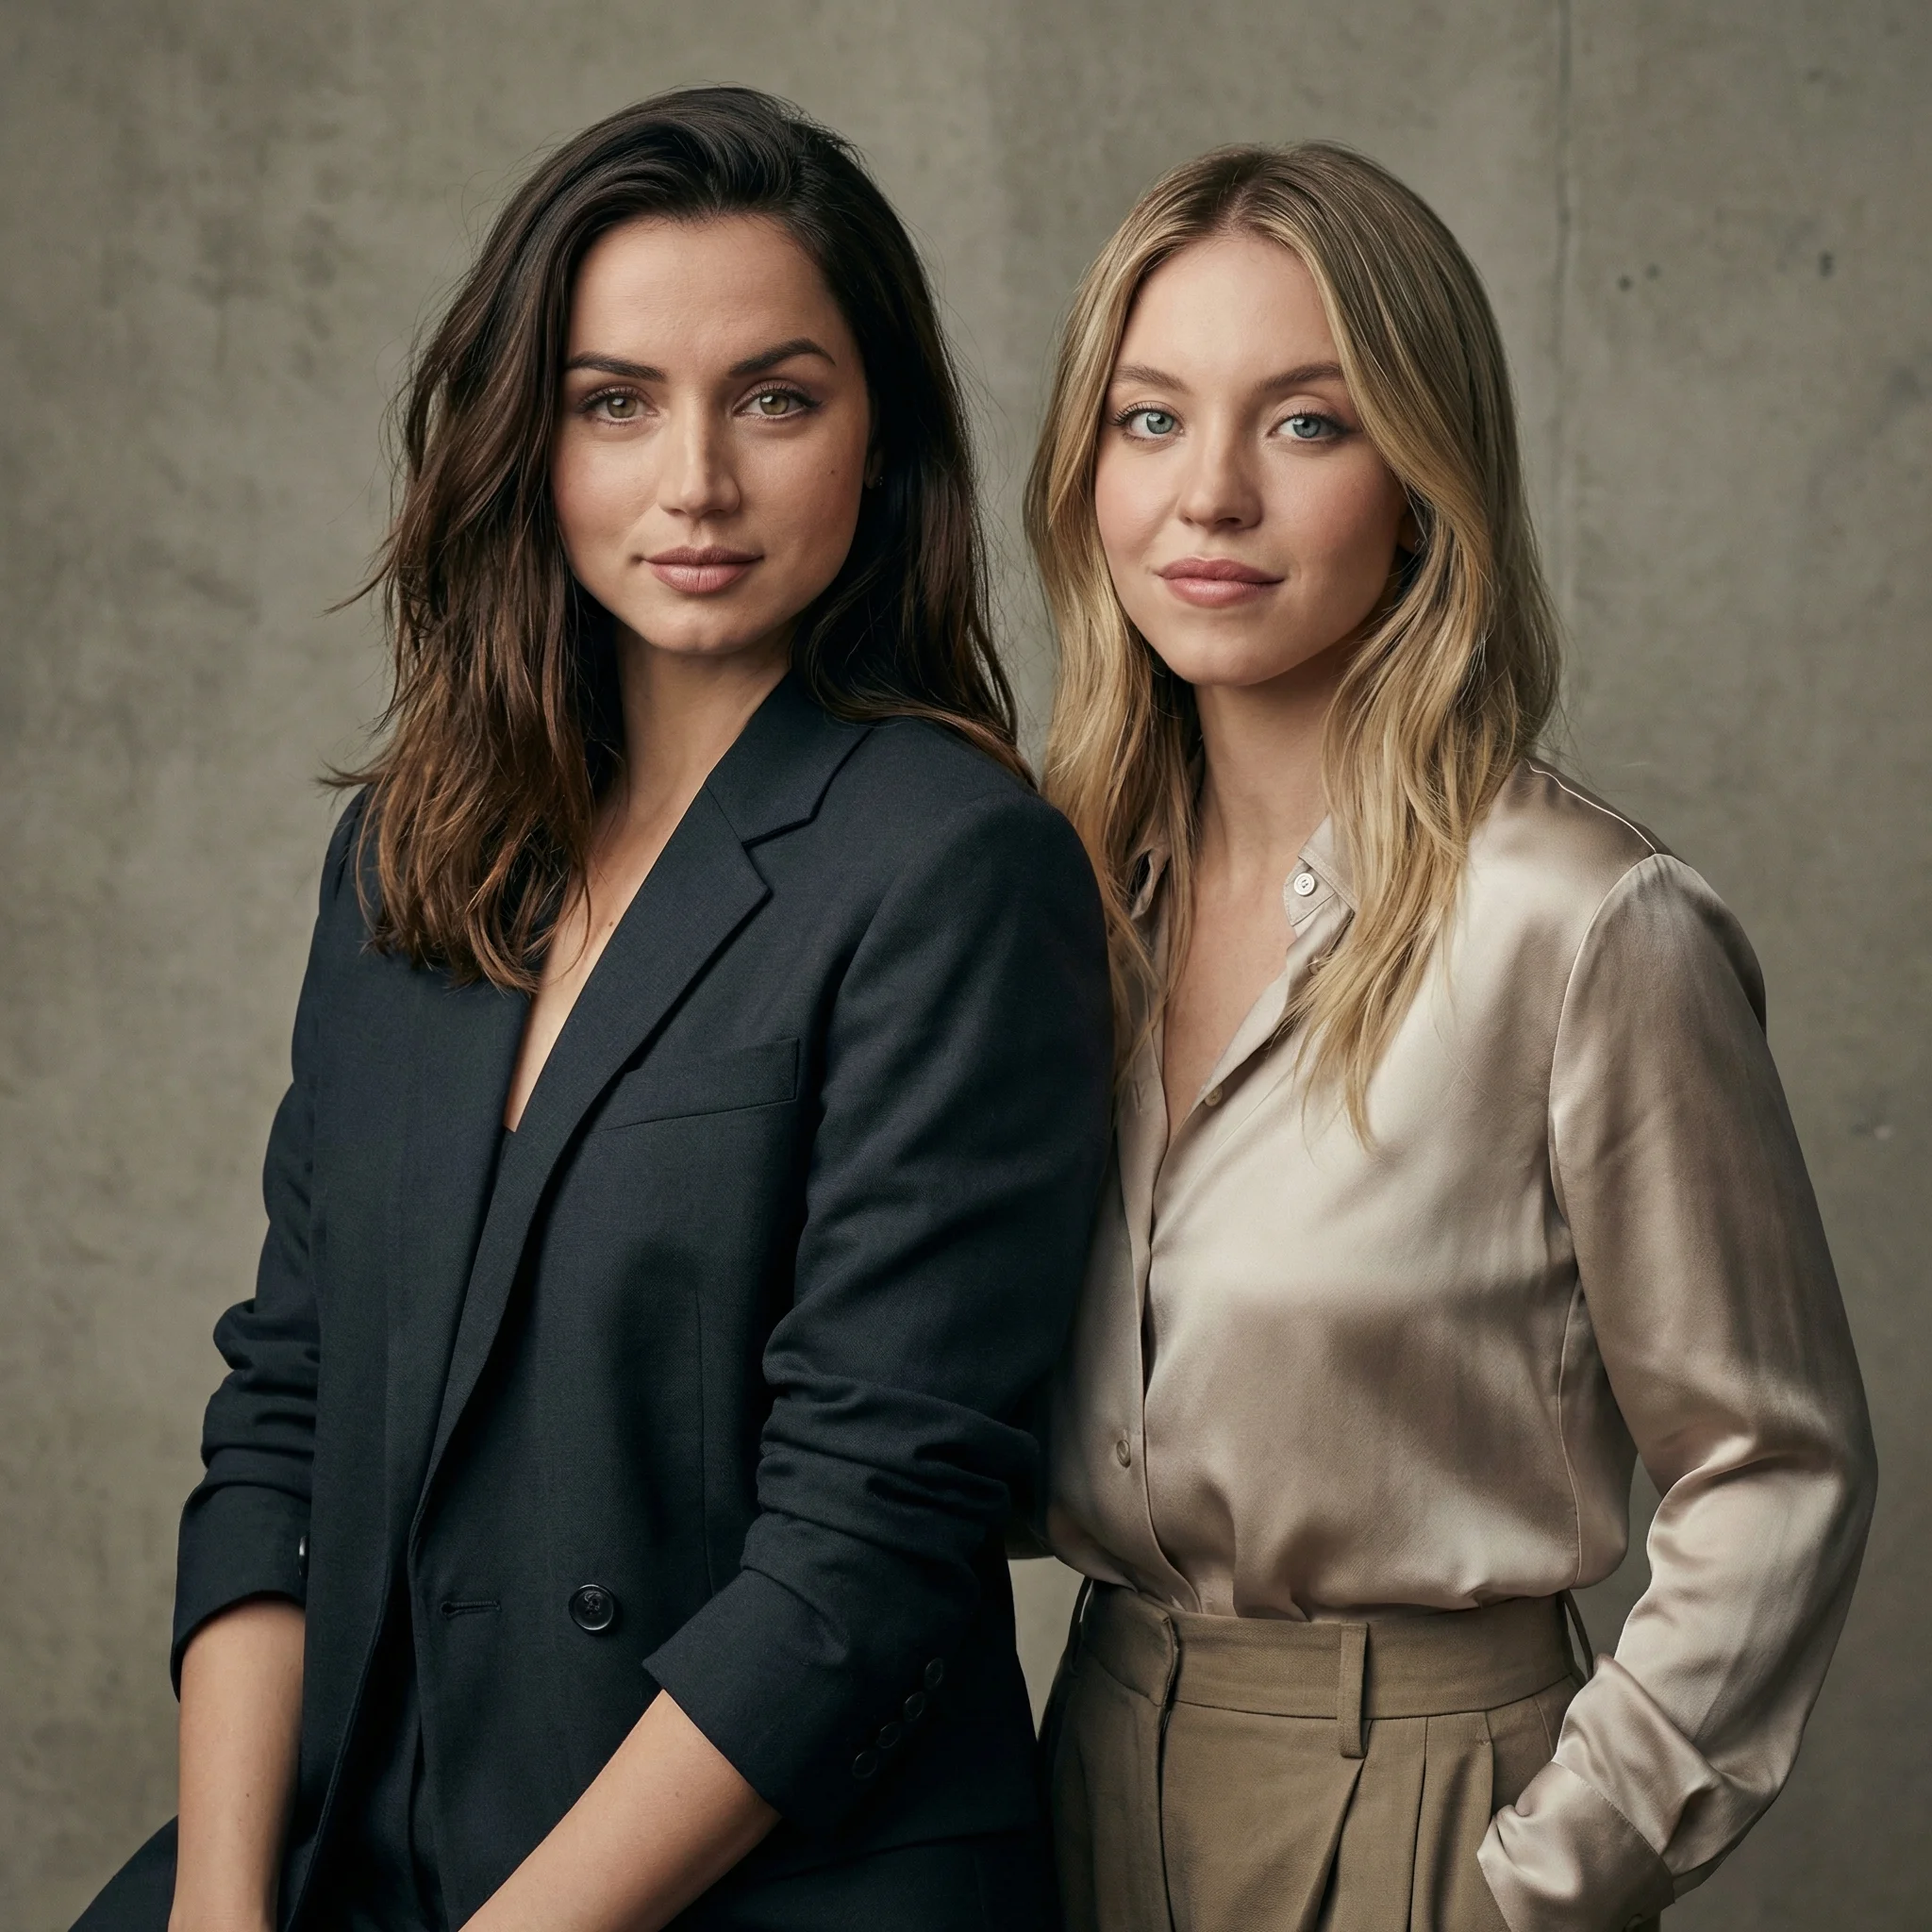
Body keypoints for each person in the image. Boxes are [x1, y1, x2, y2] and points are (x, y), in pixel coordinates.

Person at [76, 87, 1110, 1932]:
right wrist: (223, 1908)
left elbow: (859, 1552)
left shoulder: (952, 863)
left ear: (878, 445)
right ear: (525, 443)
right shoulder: (417, 846)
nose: (693, 478)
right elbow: (285, 1416)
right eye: (612, 400)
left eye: (775, 398)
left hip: (764, 1877)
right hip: (363, 1843)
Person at [1028, 142, 1874, 1932]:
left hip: (1428, 1809)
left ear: (1423, 477)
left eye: (1308, 424)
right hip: (1076, 1773)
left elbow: (1773, 1467)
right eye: (1151, 420)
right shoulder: (1058, 903)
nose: (1212, 499)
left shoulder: (1582, 927)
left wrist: (1537, 1893)